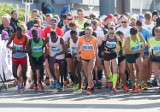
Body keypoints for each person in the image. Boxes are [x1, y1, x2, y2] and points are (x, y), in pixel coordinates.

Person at [77, 26, 98, 95]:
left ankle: (88, 88)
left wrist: (96, 55)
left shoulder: (94, 39)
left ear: (92, 33)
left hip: (92, 57)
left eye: (89, 33)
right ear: (85, 33)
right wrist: (78, 55)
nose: (88, 34)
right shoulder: (81, 38)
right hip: (84, 57)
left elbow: (96, 48)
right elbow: (78, 47)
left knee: (89, 72)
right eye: (87, 33)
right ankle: (91, 83)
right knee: (86, 73)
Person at [125, 27, 146, 92]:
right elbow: (126, 51)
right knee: (131, 70)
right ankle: (133, 84)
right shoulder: (128, 39)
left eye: (135, 36)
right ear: (130, 34)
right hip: (130, 55)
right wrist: (136, 51)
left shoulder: (139, 35)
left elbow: (144, 43)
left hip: (137, 55)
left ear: (137, 33)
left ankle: (139, 84)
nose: (134, 37)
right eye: (132, 36)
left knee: (141, 68)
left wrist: (142, 49)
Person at [102, 26, 119, 94]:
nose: (111, 34)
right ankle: (112, 81)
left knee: (115, 70)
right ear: (108, 32)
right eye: (110, 33)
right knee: (108, 71)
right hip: (106, 55)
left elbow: (120, 46)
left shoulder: (117, 37)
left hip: (114, 55)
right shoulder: (105, 37)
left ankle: (114, 87)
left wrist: (117, 50)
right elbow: (101, 45)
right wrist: (104, 50)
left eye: (112, 33)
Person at [136, 20, 152, 90]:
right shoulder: (134, 31)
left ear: (142, 25)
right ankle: (138, 82)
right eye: (138, 27)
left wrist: (149, 50)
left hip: (145, 51)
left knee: (145, 66)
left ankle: (145, 83)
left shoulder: (146, 31)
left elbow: (148, 42)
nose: (139, 28)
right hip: (137, 51)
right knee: (138, 67)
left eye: (140, 27)